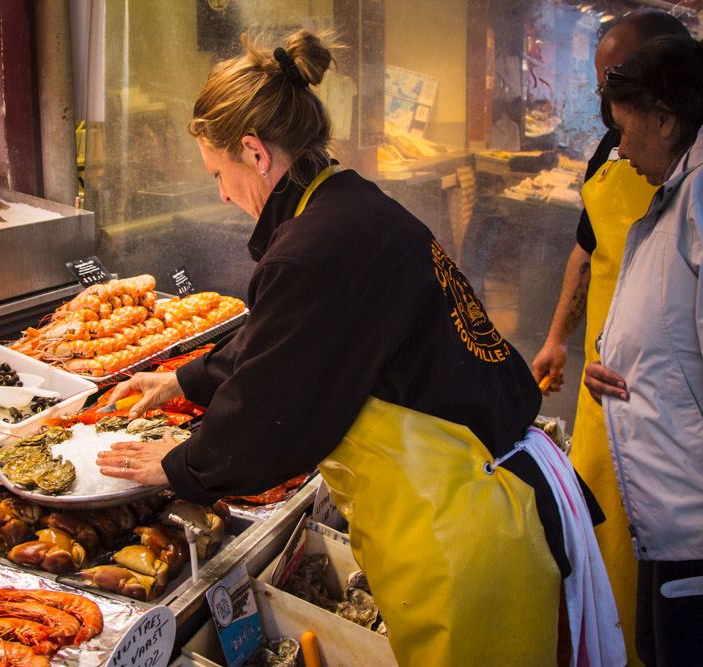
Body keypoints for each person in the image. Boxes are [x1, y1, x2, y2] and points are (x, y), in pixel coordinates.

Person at [96, 29, 620, 666]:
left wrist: (177, 466)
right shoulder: (346, 204)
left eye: (218, 173)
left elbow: (271, 419)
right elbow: (295, 337)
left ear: (255, 153)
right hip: (495, 493)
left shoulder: (316, 249)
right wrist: (183, 382)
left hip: (467, 527)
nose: (222, 194)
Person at [529, 12, 690, 664]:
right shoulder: (612, 151)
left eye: (616, 86)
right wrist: (556, 338)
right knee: (602, 553)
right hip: (603, 399)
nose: (607, 115)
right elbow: (584, 251)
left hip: (672, 424)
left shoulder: (691, 186)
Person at [584, 35, 703, 666]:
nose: (620, 149)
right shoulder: (679, 188)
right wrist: (625, 362)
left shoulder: (701, 195)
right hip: (668, 518)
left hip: (694, 521)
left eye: (627, 130)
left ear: (665, 117)